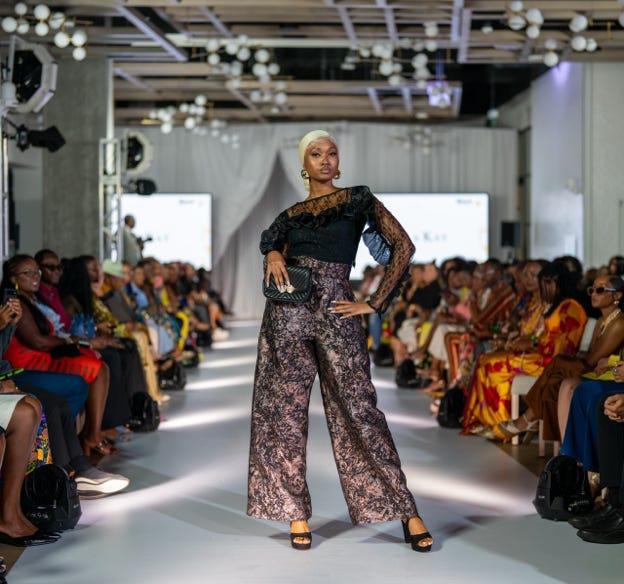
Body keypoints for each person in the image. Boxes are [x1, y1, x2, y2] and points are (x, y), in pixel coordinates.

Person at [246, 129, 432, 552]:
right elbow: (271, 243)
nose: (325, 159)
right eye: (316, 154)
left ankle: (406, 510)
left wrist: (375, 302)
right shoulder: (291, 215)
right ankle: (295, 513)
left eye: (331, 153)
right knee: (282, 412)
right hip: (287, 313)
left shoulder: (357, 199)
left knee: (360, 409)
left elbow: (403, 246)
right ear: (304, 164)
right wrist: (273, 253)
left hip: (337, 308)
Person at [499, 274, 624, 441]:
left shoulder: (619, 323)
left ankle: (529, 420)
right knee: (555, 378)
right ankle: (535, 424)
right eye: (592, 289)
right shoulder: (602, 320)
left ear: (617, 295)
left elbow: (592, 360)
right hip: (595, 368)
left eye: (600, 290)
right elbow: (591, 355)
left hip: (607, 372)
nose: (594, 294)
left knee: (558, 364)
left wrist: (582, 357)